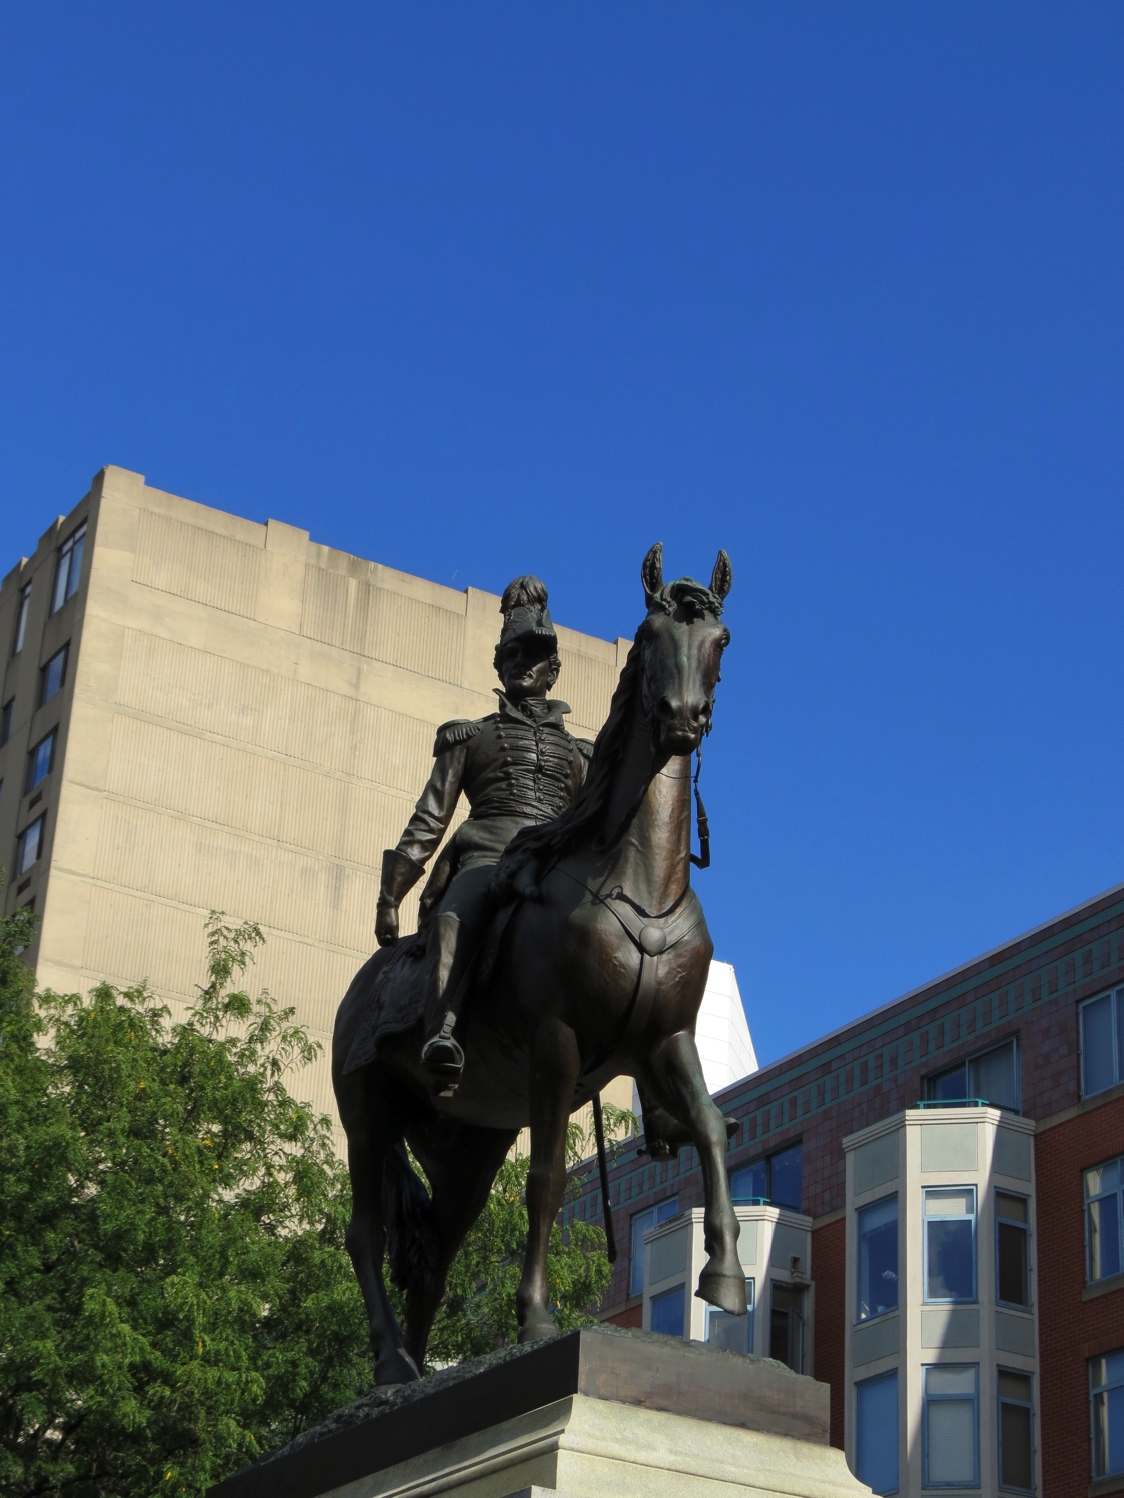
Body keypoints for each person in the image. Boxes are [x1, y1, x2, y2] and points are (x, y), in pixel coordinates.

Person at [375, 576, 592, 1090]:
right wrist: (391, 896)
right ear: (499, 666)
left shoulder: (584, 755)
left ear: (553, 671)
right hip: (487, 860)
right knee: (454, 917)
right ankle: (443, 1028)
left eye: (532, 655)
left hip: (557, 867)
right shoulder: (470, 737)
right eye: (510, 655)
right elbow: (430, 818)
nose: (520, 662)